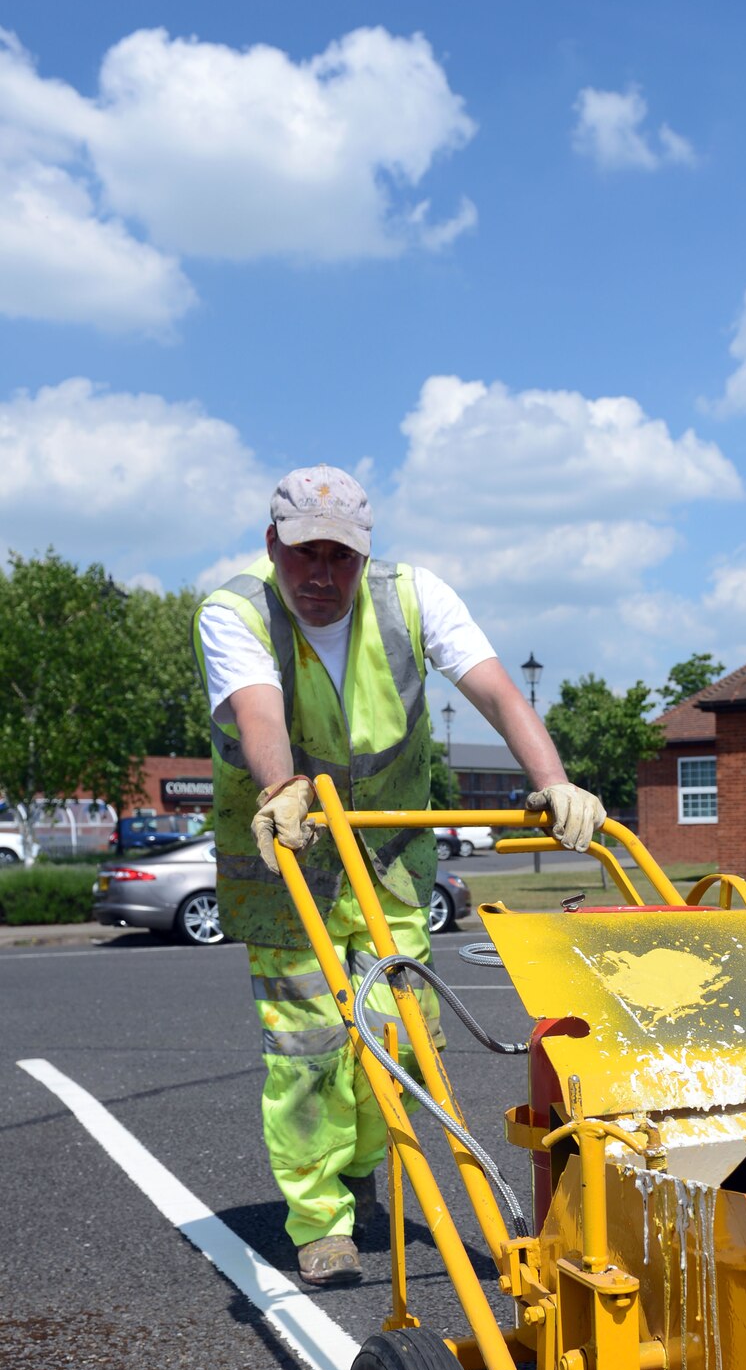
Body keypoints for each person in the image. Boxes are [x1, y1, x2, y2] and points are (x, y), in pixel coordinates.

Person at [194, 465, 604, 1286]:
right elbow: (258, 709)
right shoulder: (234, 610)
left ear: (364, 553)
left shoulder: (414, 597)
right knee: (307, 1050)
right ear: (272, 544)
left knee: (399, 1040)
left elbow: (495, 692)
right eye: (303, 552)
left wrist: (554, 780)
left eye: (339, 557)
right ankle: (319, 1219)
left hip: (388, 863)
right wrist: (282, 791)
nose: (320, 574)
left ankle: (357, 1162)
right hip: (288, 868)